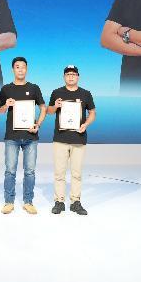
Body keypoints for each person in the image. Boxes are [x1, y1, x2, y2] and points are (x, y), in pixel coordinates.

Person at [0, 57, 46, 214]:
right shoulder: (6, 89)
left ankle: (28, 201)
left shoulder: (34, 88)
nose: (20, 69)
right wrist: (6, 105)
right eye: (17, 67)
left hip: (30, 137)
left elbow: (43, 107)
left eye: (23, 67)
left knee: (29, 171)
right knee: (10, 170)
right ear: (13, 69)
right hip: (12, 136)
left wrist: (38, 124)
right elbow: (0, 111)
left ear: (27, 69)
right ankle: (8, 202)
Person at [47, 65, 96, 216]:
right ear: (64, 77)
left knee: (77, 173)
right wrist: (55, 106)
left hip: (78, 138)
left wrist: (86, 124)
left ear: (78, 76)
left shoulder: (85, 94)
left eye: (73, 74)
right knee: (59, 173)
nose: (71, 77)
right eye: (68, 74)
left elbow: (92, 113)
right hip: (60, 139)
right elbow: (49, 111)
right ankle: (59, 202)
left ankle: (75, 202)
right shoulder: (57, 92)